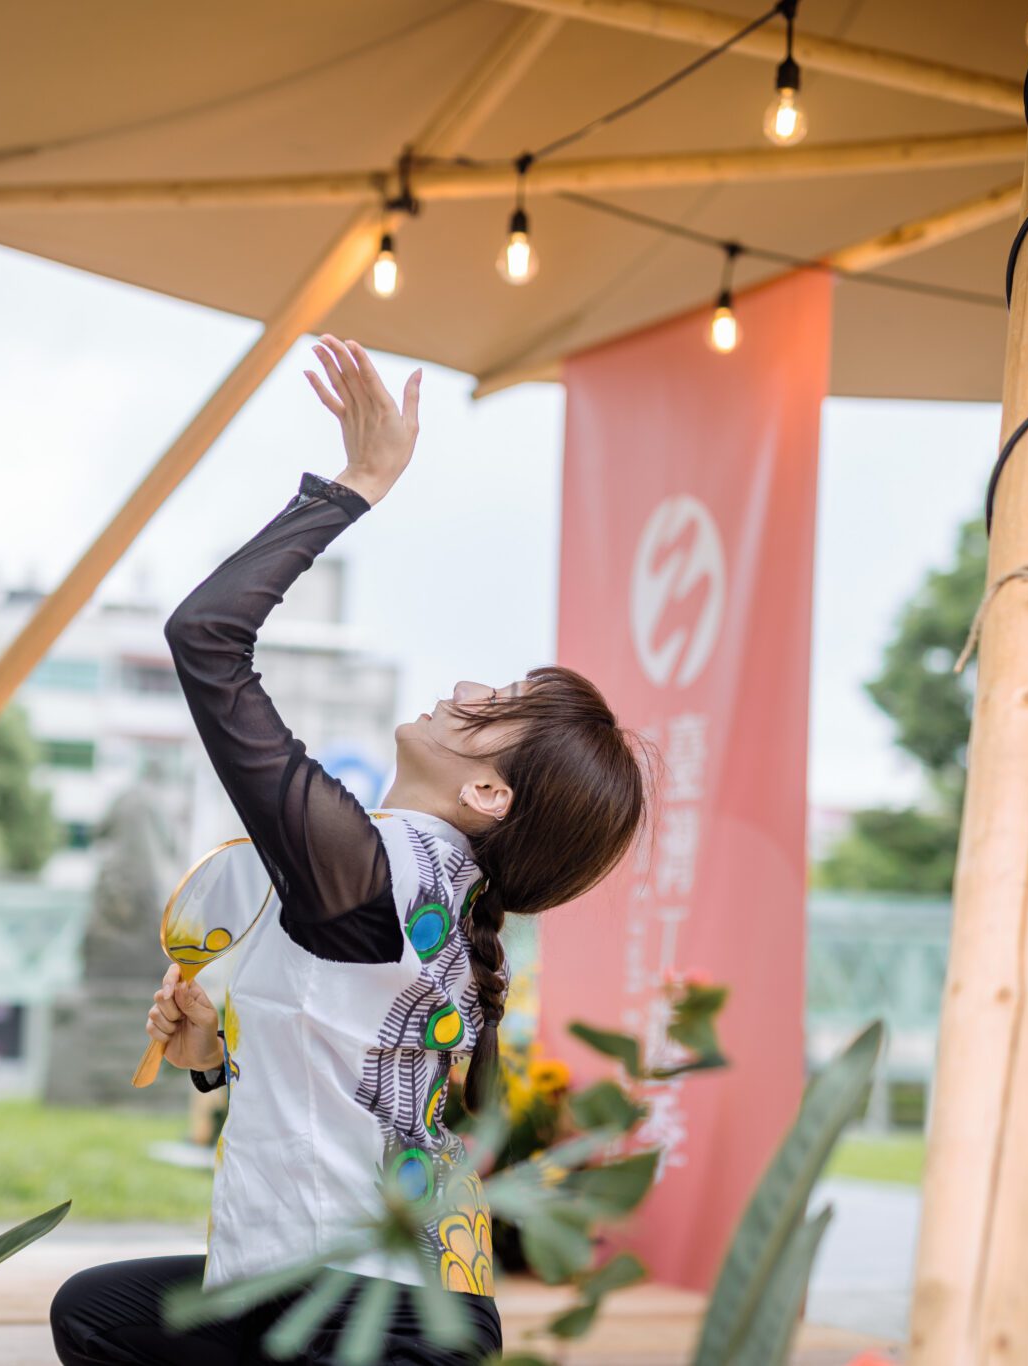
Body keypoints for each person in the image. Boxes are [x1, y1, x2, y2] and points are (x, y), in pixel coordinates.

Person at [50, 336, 650, 1366]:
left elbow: (206, 638)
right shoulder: (425, 890)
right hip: (343, 1294)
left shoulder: (376, 871)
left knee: (103, 1322)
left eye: (497, 705)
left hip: (373, 1317)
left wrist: (358, 482)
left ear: (488, 793)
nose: (466, 688)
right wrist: (212, 1056)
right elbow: (350, 1067)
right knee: (101, 1314)